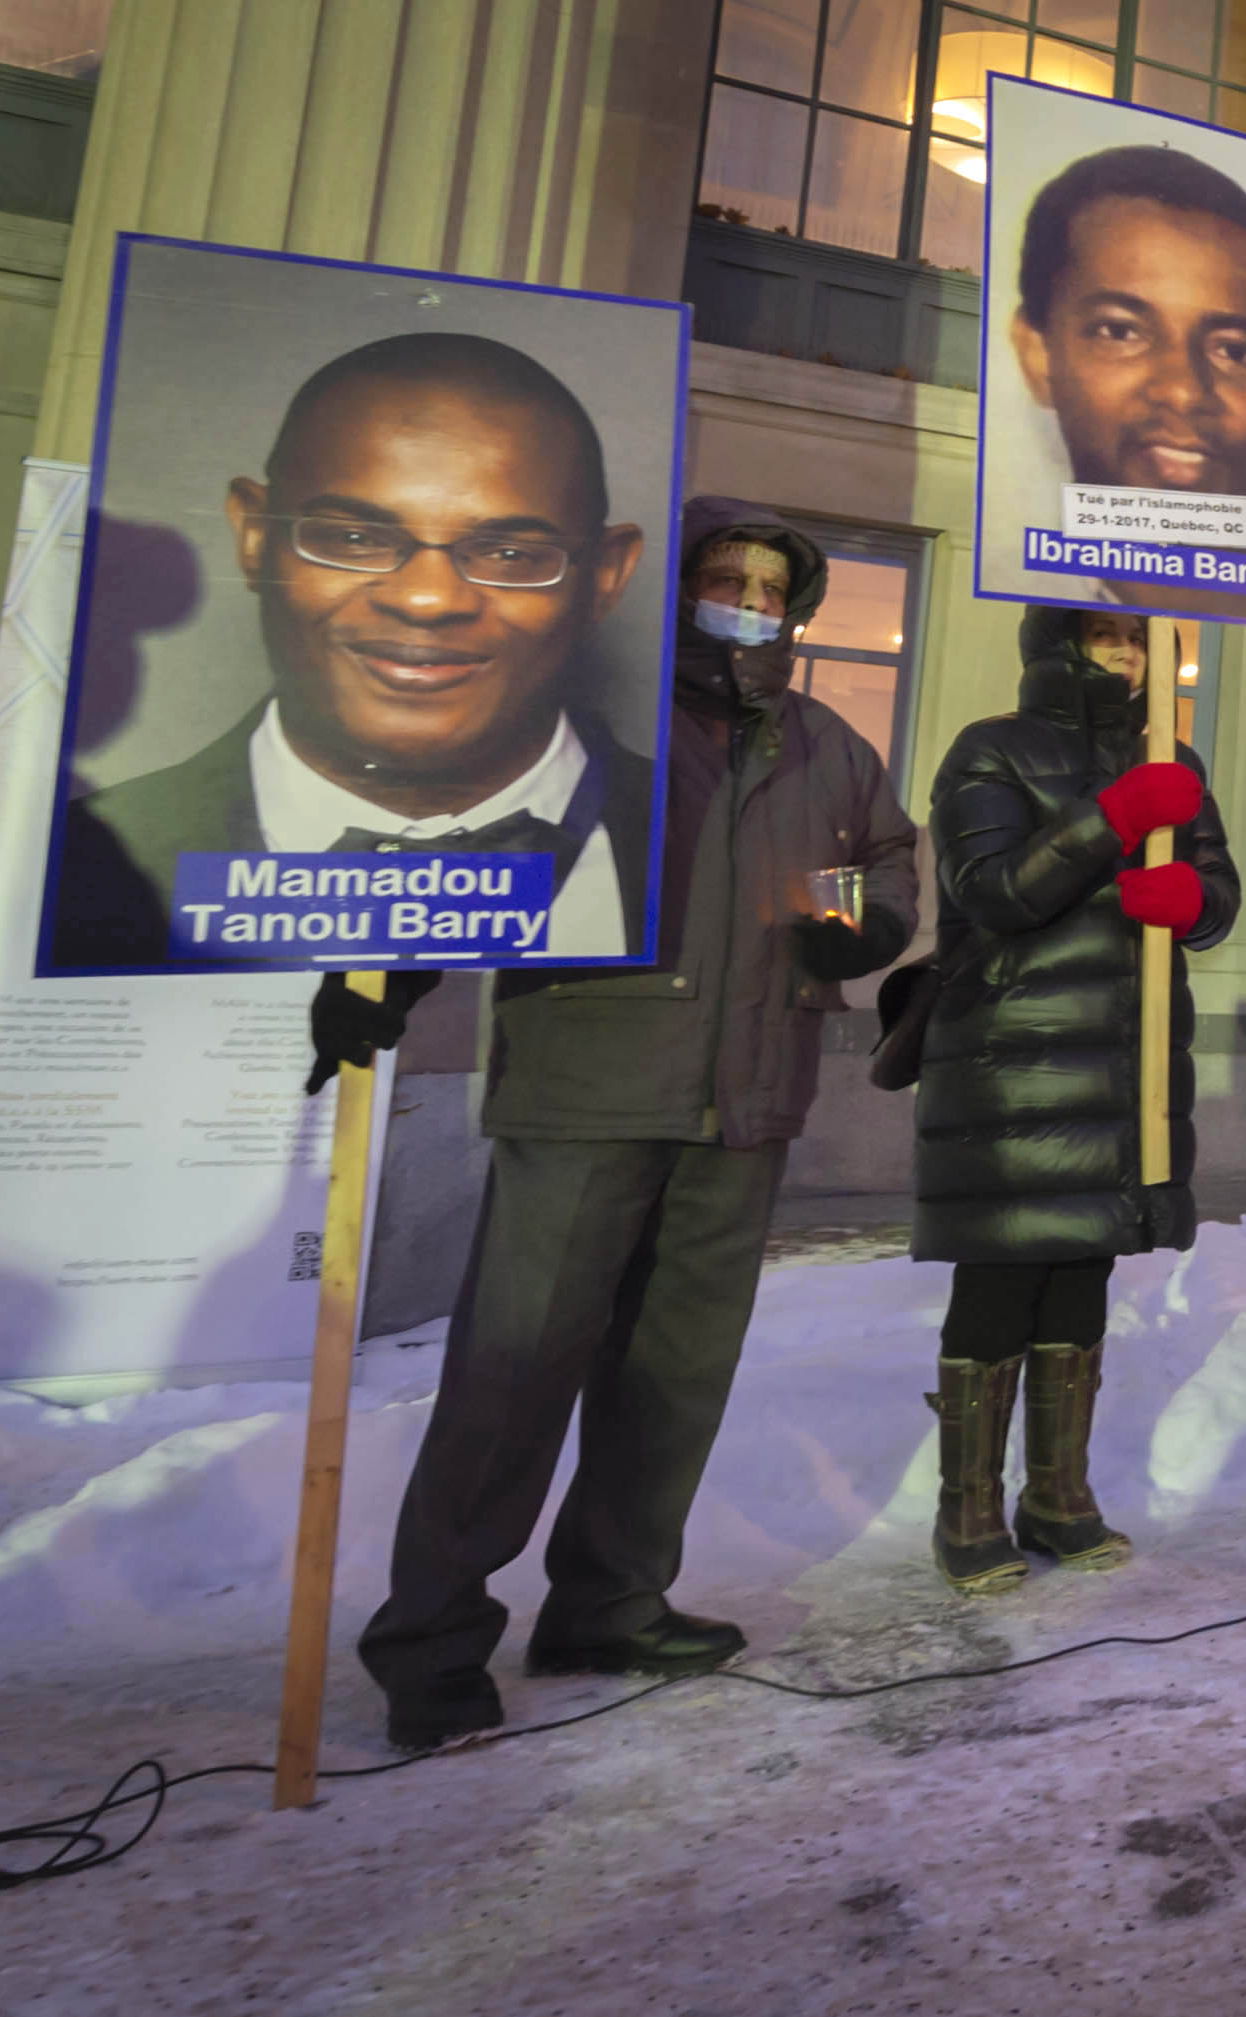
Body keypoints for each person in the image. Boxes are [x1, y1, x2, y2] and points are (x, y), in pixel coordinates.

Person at [321, 498, 918, 1751]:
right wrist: (386, 967)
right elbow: (464, 847)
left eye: (770, 588)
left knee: (671, 1382)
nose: (749, 601)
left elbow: (883, 866)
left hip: (746, 1097)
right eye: (727, 578)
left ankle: (610, 1599)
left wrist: (856, 919)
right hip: (591, 1086)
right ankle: (430, 1639)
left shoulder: (827, 743)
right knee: (512, 1374)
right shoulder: (588, 726)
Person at [48, 332, 653, 968]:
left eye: (511, 554)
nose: (427, 600)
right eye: (354, 537)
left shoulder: (717, 854)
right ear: (255, 537)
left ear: (606, 575)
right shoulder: (73, 862)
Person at [908, 604, 1240, 1591]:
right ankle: (964, 1510)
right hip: (1014, 1065)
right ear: (1056, 646)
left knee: (1082, 1278)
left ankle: (1055, 1496)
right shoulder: (989, 750)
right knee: (1003, 1278)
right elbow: (993, 888)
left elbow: (1215, 886)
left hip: (1122, 1065)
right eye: (1106, 638)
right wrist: (1116, 817)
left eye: (1137, 641)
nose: (1126, 657)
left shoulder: (1171, 755)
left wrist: (1194, 901)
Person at [1005, 145, 1246, 626]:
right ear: (1037, 354)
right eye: (1120, 332)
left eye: (1235, 351)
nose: (1183, 391)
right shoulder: (1015, 596)